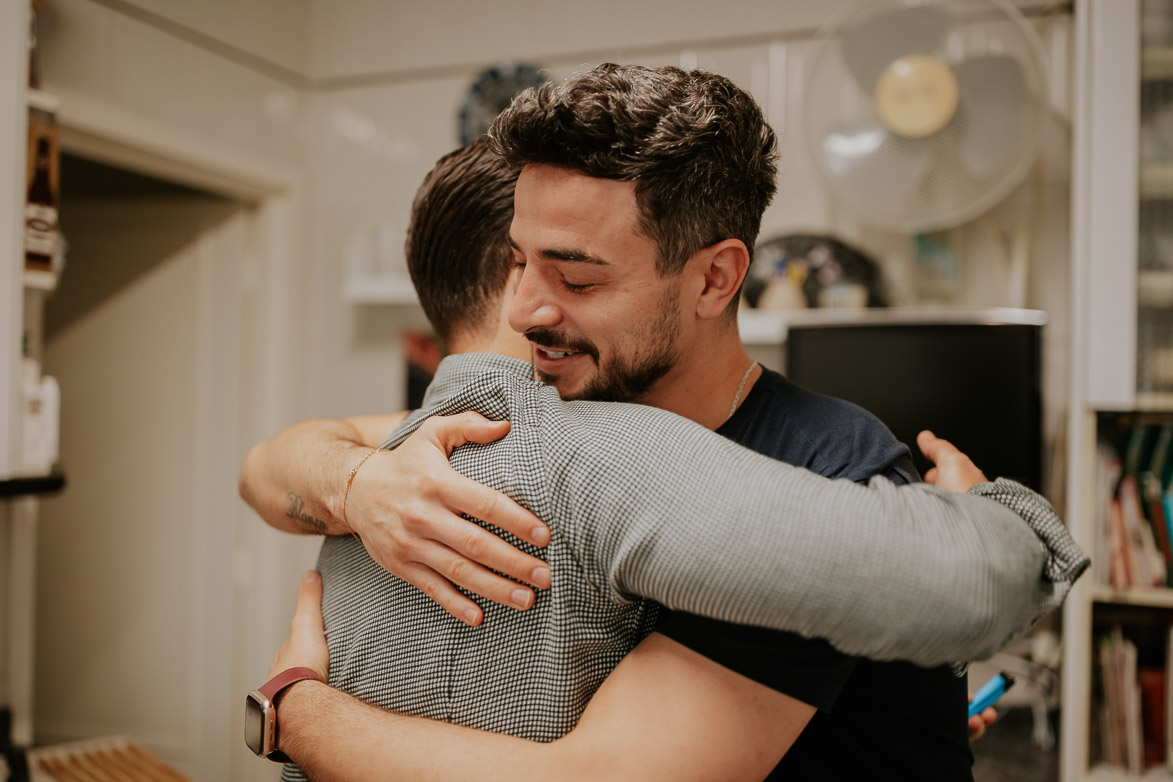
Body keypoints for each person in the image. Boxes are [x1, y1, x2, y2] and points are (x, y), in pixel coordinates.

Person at [241, 127, 1083, 779]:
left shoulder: (812, 456)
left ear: (712, 280)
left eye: (577, 274)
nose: (544, 308)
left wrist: (295, 710)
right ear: (510, 276)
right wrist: (351, 483)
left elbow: (942, 585)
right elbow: (268, 466)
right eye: (538, 267)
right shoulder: (428, 455)